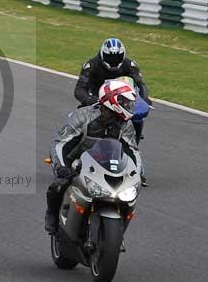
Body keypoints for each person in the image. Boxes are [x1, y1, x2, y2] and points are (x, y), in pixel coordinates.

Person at [44, 80, 144, 234]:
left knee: (128, 196)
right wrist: (62, 167)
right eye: (125, 102)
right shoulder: (83, 116)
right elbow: (60, 144)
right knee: (57, 187)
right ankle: (52, 215)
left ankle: (117, 232)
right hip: (77, 164)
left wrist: (137, 172)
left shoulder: (125, 124)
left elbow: (132, 151)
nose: (130, 107)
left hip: (108, 165)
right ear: (112, 101)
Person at [74, 38, 151, 107]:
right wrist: (89, 100)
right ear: (102, 54)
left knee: (138, 117)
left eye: (117, 57)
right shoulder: (91, 65)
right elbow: (79, 89)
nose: (113, 60)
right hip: (97, 100)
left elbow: (141, 84)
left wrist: (144, 99)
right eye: (109, 57)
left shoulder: (130, 65)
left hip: (123, 100)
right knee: (83, 113)